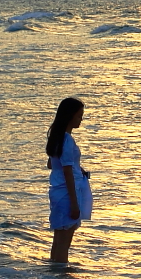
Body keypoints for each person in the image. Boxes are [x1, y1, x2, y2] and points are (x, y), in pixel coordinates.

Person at [47, 97, 92, 264]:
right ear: (70, 116)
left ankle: (53, 277)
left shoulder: (57, 138)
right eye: (79, 115)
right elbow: (66, 172)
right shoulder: (66, 140)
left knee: (58, 239)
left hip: (57, 192)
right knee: (64, 242)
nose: (81, 119)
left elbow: (52, 163)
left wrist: (77, 167)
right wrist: (74, 203)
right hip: (66, 193)